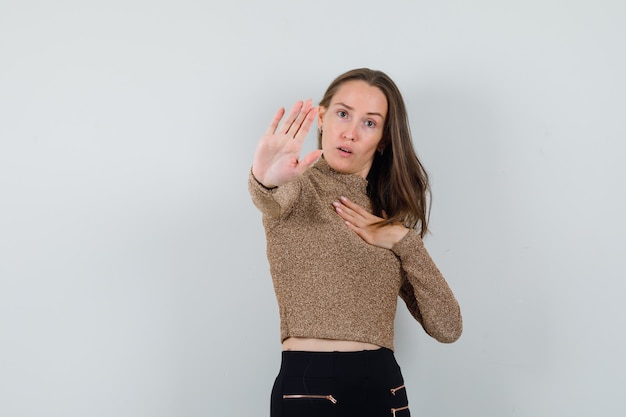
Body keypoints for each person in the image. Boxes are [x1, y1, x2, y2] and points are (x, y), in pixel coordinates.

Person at [249, 68, 462, 417]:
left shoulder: (386, 215)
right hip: (312, 385)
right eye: (343, 114)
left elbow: (447, 327)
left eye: (369, 122)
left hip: (384, 386)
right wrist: (265, 180)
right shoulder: (298, 185)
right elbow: (270, 197)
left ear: (384, 139)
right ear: (321, 117)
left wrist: (404, 240)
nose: (349, 132)